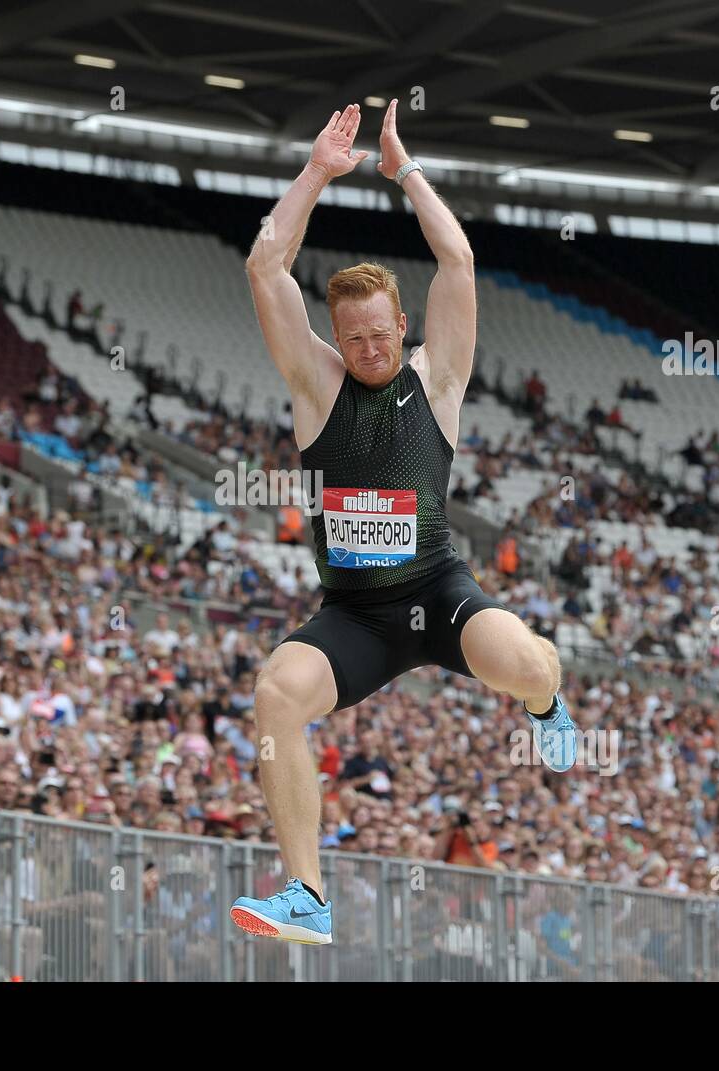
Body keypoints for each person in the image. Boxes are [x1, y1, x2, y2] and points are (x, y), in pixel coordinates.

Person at [230, 101, 577, 946]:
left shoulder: (440, 378)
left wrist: (404, 173)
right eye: (353, 339)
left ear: (402, 326)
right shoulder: (317, 386)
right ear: (338, 338)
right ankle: (307, 892)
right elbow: (266, 266)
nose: (368, 350)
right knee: (274, 693)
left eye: (380, 335)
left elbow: (456, 257)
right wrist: (317, 171)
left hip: (439, 591)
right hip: (356, 614)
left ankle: (547, 702)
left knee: (528, 663)